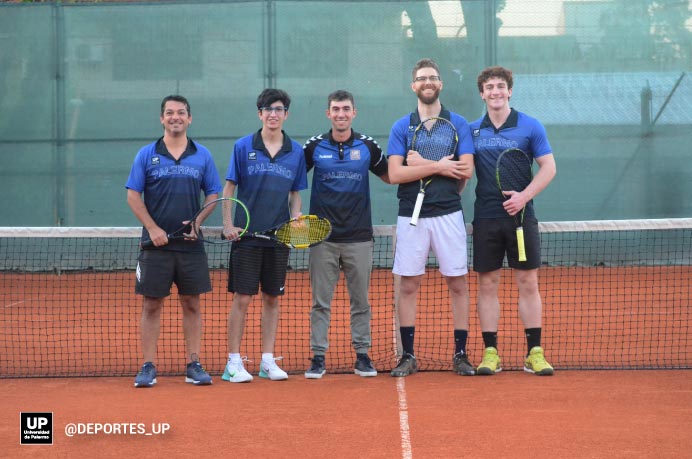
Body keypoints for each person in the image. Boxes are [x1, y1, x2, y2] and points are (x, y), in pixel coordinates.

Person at [386, 58, 476, 377]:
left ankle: (461, 355)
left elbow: (466, 169)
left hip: (449, 214)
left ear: (440, 84)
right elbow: (395, 173)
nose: (428, 82)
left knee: (458, 284)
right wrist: (439, 166)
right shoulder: (402, 126)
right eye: (422, 78)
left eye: (433, 78)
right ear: (414, 86)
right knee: (408, 285)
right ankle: (408, 355)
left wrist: (422, 164)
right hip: (411, 216)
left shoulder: (459, 123)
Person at [126, 94, 221, 387]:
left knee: (192, 304)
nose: (175, 117)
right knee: (152, 305)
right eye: (170, 113)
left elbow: (213, 194)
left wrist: (197, 223)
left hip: (191, 245)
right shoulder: (146, 154)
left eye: (181, 112)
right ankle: (148, 365)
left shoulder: (202, 155)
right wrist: (153, 229)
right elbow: (132, 195)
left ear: (189, 118)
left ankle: (194, 363)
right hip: (154, 246)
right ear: (162, 118)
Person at [470, 66, 557, 376]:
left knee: (528, 282)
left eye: (500, 86)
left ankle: (534, 352)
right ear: (482, 94)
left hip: (522, 219)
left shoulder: (530, 127)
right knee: (487, 284)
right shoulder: (472, 131)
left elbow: (548, 167)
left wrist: (524, 196)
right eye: (489, 87)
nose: (495, 91)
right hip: (486, 219)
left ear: (509, 91)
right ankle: (490, 352)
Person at [221, 88, 308, 383]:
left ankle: (267, 360)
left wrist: (296, 216)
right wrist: (228, 224)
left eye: (279, 109)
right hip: (247, 237)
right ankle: (233, 362)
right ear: (260, 114)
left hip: (278, 238)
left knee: (273, 298)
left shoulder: (295, 151)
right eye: (268, 109)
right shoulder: (243, 146)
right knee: (243, 299)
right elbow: (229, 189)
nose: (273, 114)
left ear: (286, 114)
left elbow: (295, 193)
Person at [302, 90, 390, 379]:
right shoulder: (314, 147)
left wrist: (422, 166)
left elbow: (391, 175)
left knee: (361, 302)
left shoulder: (368, 146)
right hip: (322, 239)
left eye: (346, 109)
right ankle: (318, 357)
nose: (341, 114)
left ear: (354, 112)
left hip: (359, 238)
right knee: (320, 302)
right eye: (336, 109)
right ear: (328, 113)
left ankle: (362, 356)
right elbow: (292, 178)